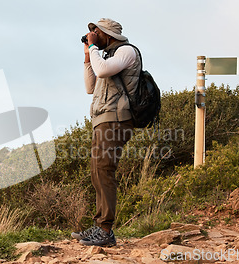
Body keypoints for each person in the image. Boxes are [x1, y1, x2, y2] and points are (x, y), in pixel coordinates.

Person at [71, 18, 140, 247]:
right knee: (97, 171)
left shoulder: (126, 51)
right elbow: (91, 87)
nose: (91, 35)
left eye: (95, 32)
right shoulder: (106, 57)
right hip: (102, 120)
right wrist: (87, 56)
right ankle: (100, 225)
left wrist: (92, 48)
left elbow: (102, 72)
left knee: (104, 170)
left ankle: (105, 230)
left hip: (117, 120)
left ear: (107, 34)